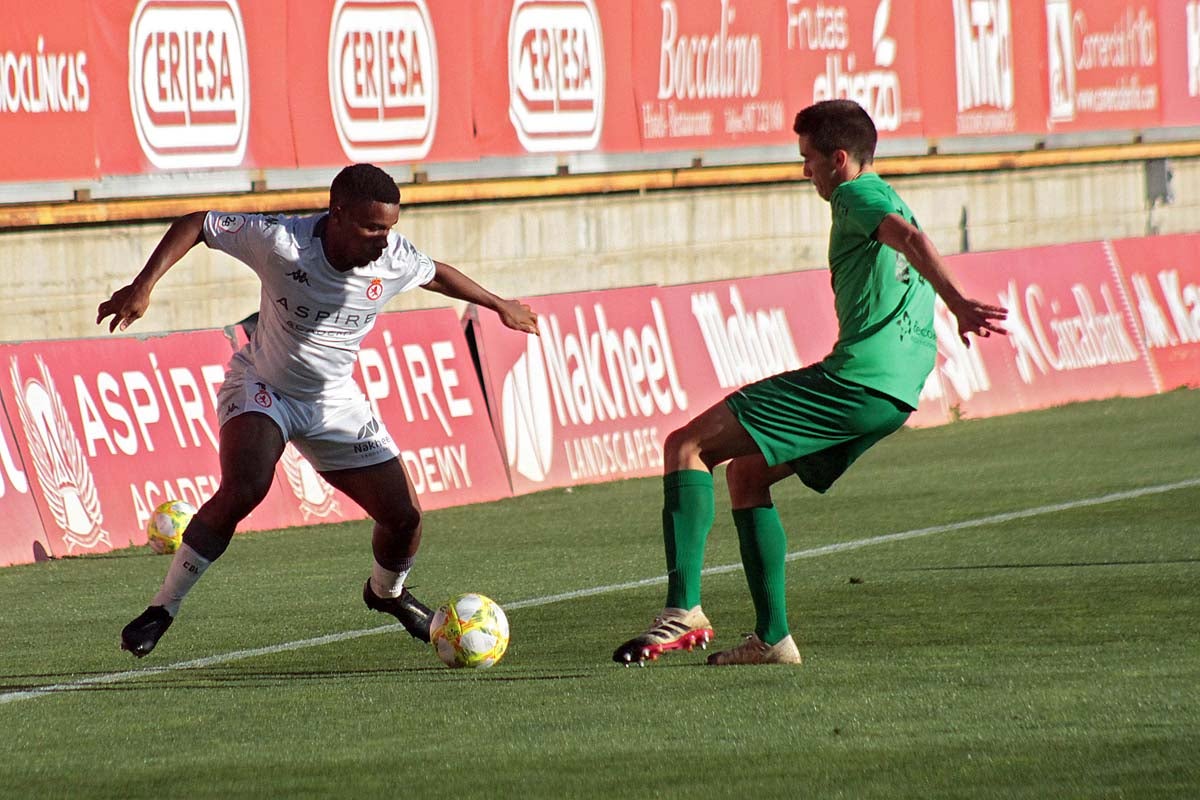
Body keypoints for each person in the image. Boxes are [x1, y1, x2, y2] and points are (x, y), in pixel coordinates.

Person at [612, 99, 1009, 667]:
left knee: (687, 445)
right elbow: (908, 246)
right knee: (748, 474)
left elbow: (912, 244)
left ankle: (682, 610)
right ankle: (772, 640)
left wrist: (958, 302)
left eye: (808, 159)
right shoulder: (890, 195)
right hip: (893, 396)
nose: (805, 171)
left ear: (839, 160)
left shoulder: (855, 193)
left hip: (856, 383)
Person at [98, 163, 539, 658]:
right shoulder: (282, 241)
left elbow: (436, 275)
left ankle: (385, 595)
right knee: (247, 486)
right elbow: (199, 223)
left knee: (404, 519)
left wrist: (499, 303)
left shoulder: (392, 258)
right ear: (337, 213)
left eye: (390, 227)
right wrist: (143, 285)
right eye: (372, 227)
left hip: (334, 402)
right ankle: (163, 608)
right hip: (264, 387)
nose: (383, 239)